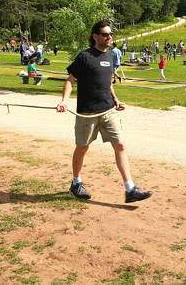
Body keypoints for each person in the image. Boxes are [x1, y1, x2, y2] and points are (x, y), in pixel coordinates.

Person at [55, 20, 152, 203]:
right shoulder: (85, 56)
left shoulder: (109, 56)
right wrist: (64, 101)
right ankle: (76, 184)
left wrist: (115, 98)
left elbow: (107, 82)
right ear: (95, 36)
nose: (110, 37)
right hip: (87, 113)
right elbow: (70, 80)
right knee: (82, 148)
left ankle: (130, 189)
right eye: (106, 34)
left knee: (120, 145)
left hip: (108, 110)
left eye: (111, 34)